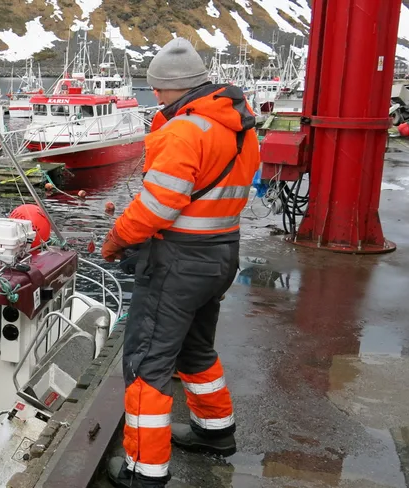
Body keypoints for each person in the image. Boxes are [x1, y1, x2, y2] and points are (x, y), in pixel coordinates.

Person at [101, 37, 260, 487]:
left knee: (147, 365)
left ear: (173, 88)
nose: (155, 97)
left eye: (157, 89)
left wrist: (115, 240)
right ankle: (215, 432)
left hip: (178, 262)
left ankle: (143, 472)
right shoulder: (238, 127)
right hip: (221, 254)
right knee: (195, 349)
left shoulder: (183, 131)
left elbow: (156, 207)